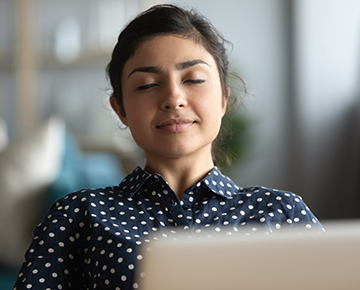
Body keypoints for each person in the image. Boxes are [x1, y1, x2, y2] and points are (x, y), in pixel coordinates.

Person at [13, 4, 324, 290]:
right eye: (147, 85)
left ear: (224, 99)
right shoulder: (78, 215)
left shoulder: (281, 213)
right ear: (120, 109)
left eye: (194, 79)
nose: (173, 98)